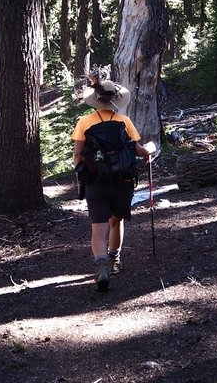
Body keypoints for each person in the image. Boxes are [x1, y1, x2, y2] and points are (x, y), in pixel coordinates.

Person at [72, 76, 151, 292]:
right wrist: (148, 152)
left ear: (96, 99)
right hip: (122, 180)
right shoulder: (124, 121)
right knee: (116, 221)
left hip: (95, 180)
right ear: (116, 99)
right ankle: (114, 258)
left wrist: (82, 173)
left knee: (98, 228)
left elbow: (78, 155)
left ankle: (101, 266)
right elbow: (139, 150)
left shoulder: (84, 122)